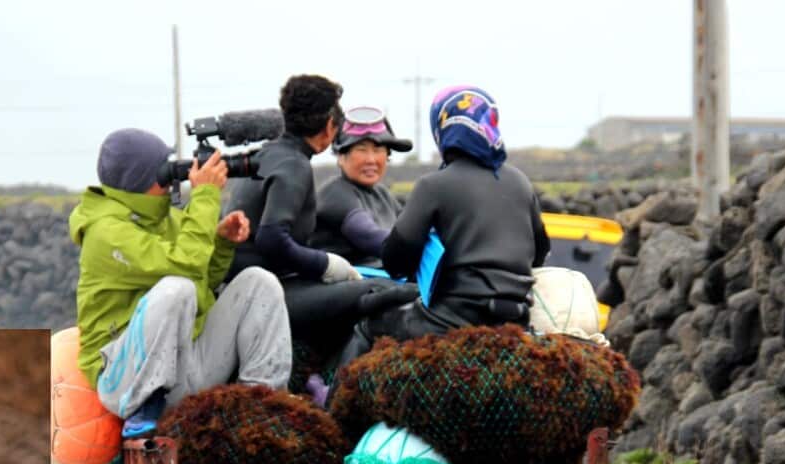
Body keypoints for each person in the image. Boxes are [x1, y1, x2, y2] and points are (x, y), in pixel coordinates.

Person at [70, 128, 292, 436]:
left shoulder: (167, 220)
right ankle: (145, 404)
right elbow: (183, 268)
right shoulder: (105, 233)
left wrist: (221, 242)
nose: (171, 176)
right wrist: (205, 196)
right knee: (177, 286)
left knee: (259, 282)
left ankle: (262, 401)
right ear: (141, 177)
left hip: (183, 367)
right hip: (124, 378)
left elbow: (202, 284)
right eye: (163, 167)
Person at [334, 85, 549, 368]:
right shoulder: (520, 181)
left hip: (450, 320)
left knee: (367, 326)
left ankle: (333, 407)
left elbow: (396, 260)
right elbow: (540, 250)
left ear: (442, 128)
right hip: (516, 317)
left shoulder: (433, 185)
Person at [225, 74, 361, 284]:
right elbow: (271, 240)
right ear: (329, 126)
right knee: (378, 291)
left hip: (235, 276)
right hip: (258, 285)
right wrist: (325, 265)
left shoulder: (268, 153)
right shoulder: (295, 165)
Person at [309, 105, 413, 267]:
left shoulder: (383, 194)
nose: (371, 160)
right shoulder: (335, 194)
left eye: (378, 149)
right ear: (341, 157)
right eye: (361, 149)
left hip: (379, 278)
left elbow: (410, 227)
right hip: (342, 281)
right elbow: (369, 236)